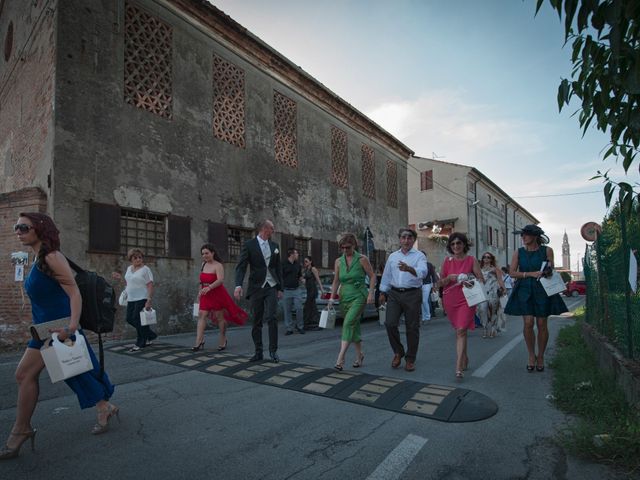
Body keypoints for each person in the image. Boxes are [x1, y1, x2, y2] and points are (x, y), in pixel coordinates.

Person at [1, 213, 118, 460]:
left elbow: (75, 294)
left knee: (38, 373)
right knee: (74, 373)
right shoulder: (39, 258)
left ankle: (21, 430)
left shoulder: (52, 257)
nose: (18, 231)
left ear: (40, 229)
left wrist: (72, 326)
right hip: (45, 329)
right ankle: (103, 406)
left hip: (59, 328)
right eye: (16, 227)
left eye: (23, 227)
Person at [504, 224, 568, 372]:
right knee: (528, 323)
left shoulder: (547, 250)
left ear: (535, 236)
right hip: (525, 289)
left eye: (526, 234)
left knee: (541, 323)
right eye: (522, 235)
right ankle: (531, 355)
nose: (523, 237)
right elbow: (512, 273)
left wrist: (548, 269)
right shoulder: (518, 253)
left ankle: (541, 356)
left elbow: (551, 268)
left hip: (542, 289)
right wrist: (529, 274)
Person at [435, 232, 483, 379]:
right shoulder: (447, 261)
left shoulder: (471, 260)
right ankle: (464, 357)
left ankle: (458, 367)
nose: (456, 246)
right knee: (460, 331)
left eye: (459, 243)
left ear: (464, 245)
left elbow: (481, 279)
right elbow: (439, 283)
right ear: (450, 246)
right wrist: (449, 278)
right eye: (453, 244)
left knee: (461, 330)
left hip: (467, 299)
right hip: (450, 299)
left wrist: (469, 279)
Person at [234, 220, 284, 362]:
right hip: (256, 287)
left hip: (271, 286)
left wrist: (280, 287)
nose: (273, 231)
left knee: (272, 317)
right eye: (272, 228)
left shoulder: (275, 246)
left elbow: (277, 268)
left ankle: (273, 351)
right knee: (257, 320)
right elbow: (241, 266)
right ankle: (258, 352)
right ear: (264, 228)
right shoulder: (249, 245)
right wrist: (238, 285)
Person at [378, 230, 427, 372]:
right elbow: (387, 275)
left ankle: (410, 359)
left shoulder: (419, 256)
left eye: (409, 237)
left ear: (413, 240)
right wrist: (382, 292)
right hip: (394, 293)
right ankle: (398, 352)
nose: (406, 240)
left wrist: (409, 269)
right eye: (403, 237)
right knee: (390, 323)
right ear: (400, 239)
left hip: (412, 294)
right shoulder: (393, 256)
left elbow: (423, 272)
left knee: (412, 327)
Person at [328, 233, 376, 371]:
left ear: (354, 246)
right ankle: (359, 355)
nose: (344, 250)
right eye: (342, 248)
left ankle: (340, 358)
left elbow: (372, 276)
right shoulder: (338, 261)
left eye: (347, 247)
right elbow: (336, 280)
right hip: (344, 297)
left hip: (359, 295)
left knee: (348, 323)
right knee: (354, 326)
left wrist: (371, 293)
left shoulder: (362, 259)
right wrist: (332, 298)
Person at [193, 244, 247, 351]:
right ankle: (199, 341)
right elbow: (201, 280)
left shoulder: (218, 265)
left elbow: (220, 280)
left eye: (207, 253)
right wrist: (200, 291)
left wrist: (209, 287)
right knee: (201, 315)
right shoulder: (203, 264)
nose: (204, 255)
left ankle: (223, 339)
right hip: (205, 294)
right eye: (203, 254)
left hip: (217, 293)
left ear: (212, 253)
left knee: (220, 317)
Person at [112, 248, 157, 352]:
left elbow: (150, 285)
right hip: (131, 298)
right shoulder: (129, 268)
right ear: (131, 259)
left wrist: (149, 300)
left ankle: (141, 342)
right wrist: (120, 278)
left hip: (142, 297)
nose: (138, 259)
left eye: (140, 257)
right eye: (135, 258)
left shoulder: (145, 269)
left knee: (137, 318)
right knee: (129, 318)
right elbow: (128, 283)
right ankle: (150, 334)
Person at [476, 252, 505, 339]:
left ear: (491, 259)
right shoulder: (479, 269)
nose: (486, 259)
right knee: (482, 309)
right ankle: (485, 328)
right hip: (482, 292)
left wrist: (504, 289)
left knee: (493, 310)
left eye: (488, 257)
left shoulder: (496, 269)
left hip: (493, 292)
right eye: (484, 257)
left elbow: (500, 280)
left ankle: (493, 328)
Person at [282, 248, 305, 335]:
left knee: (299, 308)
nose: (298, 255)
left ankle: (300, 327)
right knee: (287, 310)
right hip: (286, 290)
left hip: (296, 290)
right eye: (296, 253)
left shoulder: (298, 265)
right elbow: (280, 277)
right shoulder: (283, 264)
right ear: (291, 254)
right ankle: (289, 329)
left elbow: (299, 275)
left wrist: (302, 279)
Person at [302, 256, 324, 329]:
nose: (305, 263)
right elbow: (304, 280)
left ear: (310, 262)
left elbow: (318, 280)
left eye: (306, 261)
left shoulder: (313, 269)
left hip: (313, 290)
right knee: (312, 307)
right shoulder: (305, 270)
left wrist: (322, 290)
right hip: (308, 290)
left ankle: (307, 322)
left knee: (307, 306)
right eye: (304, 261)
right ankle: (315, 322)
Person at [420, 254, 439, 323]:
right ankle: (424, 317)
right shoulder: (418, 264)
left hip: (427, 284)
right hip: (419, 285)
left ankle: (427, 316)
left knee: (424, 300)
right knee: (422, 301)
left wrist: (434, 285)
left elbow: (433, 275)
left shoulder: (429, 265)